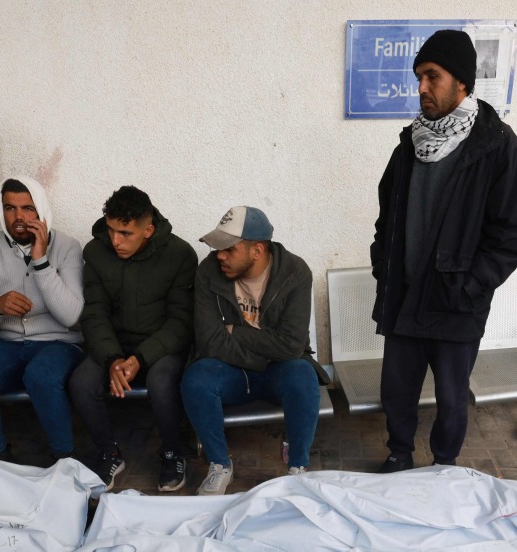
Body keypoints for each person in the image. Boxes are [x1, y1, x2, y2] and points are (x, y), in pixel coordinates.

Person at [370, 29, 517, 472]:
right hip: (405, 295)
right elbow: (387, 216)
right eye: (418, 77)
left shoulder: (495, 145)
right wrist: (382, 266)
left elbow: (511, 232)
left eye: (432, 76)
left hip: (455, 298)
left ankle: (445, 466)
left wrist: (470, 286)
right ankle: (399, 455)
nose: (421, 87)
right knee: (397, 388)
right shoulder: (410, 143)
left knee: (451, 396)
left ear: (461, 82)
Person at [182, 206, 328, 495]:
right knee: (195, 380)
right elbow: (210, 340)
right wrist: (263, 354)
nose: (219, 255)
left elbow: (291, 345)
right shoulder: (208, 271)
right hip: (232, 369)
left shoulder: (295, 273)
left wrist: (235, 331)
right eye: (217, 247)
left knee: (302, 376)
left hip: (281, 368)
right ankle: (220, 465)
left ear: (257, 250)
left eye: (228, 249)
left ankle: (298, 468)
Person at [69, 185, 196, 491]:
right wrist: (112, 359)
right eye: (112, 230)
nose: (115, 240)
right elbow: (95, 314)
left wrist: (141, 358)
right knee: (81, 383)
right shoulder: (96, 252)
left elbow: (181, 322)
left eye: (126, 234)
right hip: (113, 344)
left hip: (160, 346)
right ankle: (108, 451)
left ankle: (171, 451)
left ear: (148, 230)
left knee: (162, 381)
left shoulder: (180, 255)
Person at [0, 176, 84, 461]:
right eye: (9, 208)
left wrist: (41, 262)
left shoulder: (66, 246)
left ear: (41, 209)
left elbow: (71, 316)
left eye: (28, 208)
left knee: (42, 375)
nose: (18, 217)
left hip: (59, 343)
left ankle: (64, 459)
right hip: (8, 343)